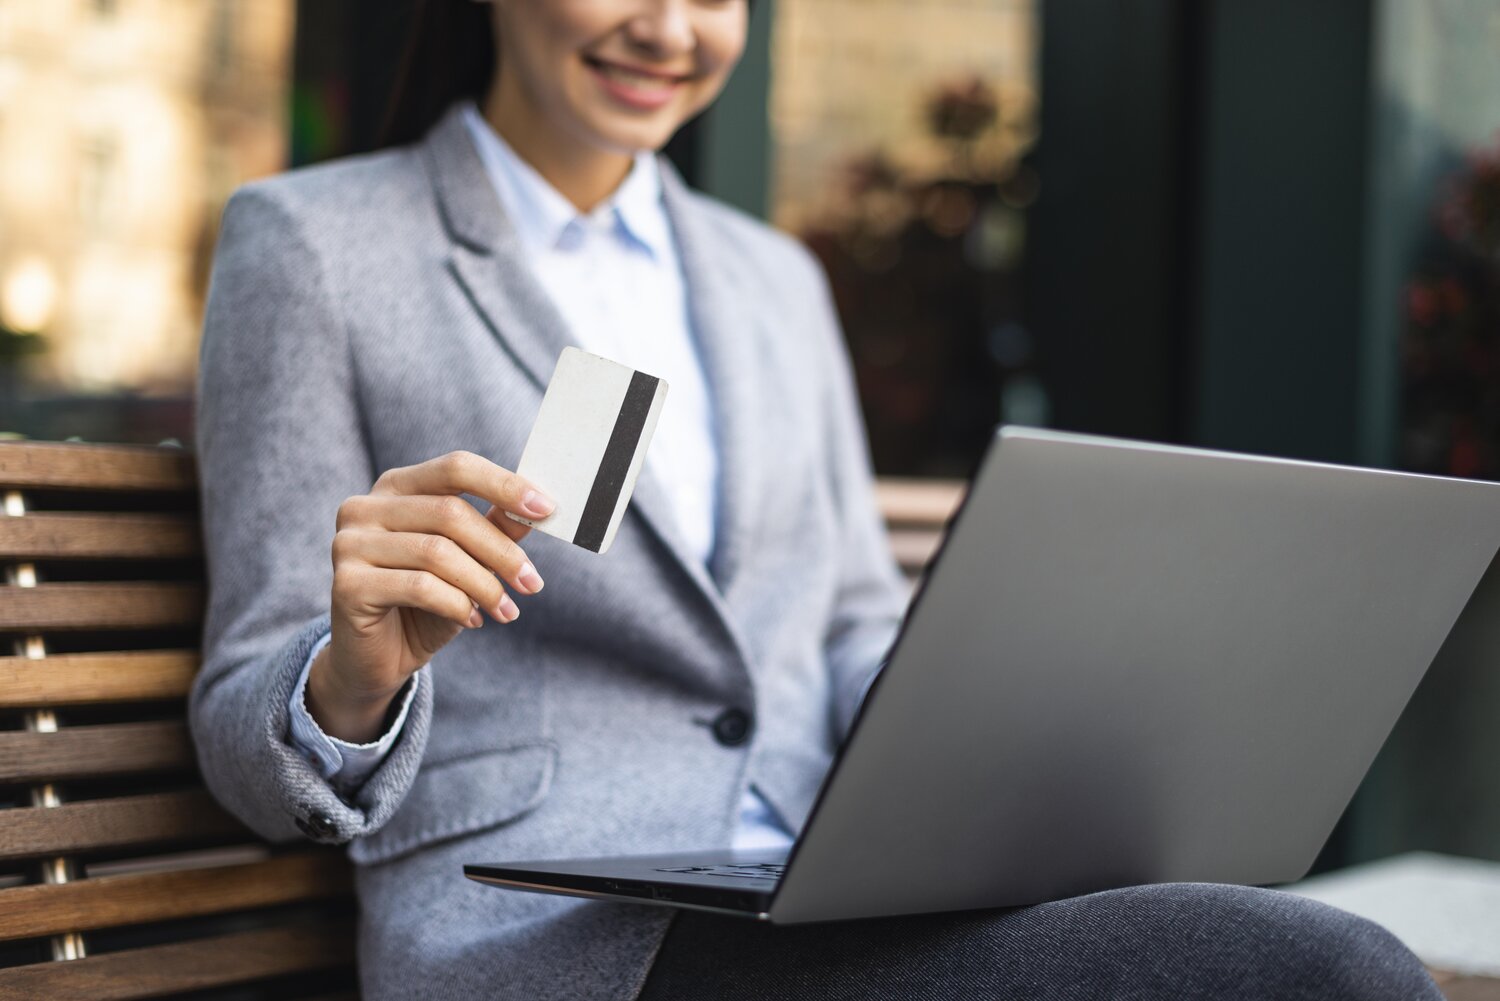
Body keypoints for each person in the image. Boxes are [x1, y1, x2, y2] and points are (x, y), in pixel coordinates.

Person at [190, 2, 1442, 999]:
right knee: (1323, 969)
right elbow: (252, 718)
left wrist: (1017, 730)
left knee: (1283, 943)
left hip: (824, 880)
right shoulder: (315, 245)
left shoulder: (770, 275)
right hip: (553, 932)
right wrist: (355, 674)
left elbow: (845, 620)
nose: (672, 31)